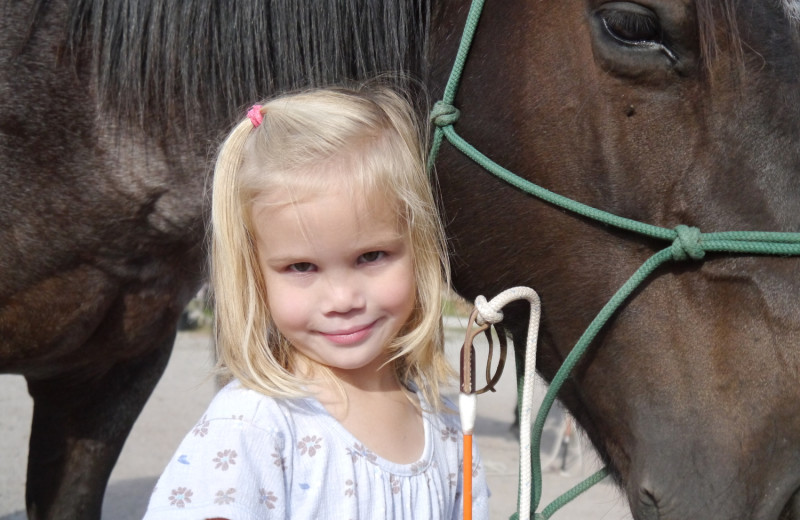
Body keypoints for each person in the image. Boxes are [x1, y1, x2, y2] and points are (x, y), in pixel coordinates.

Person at [143, 84, 490, 519]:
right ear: (254, 275)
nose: (343, 299)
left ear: (418, 248)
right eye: (302, 267)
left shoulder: (445, 424)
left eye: (371, 256)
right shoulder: (254, 427)